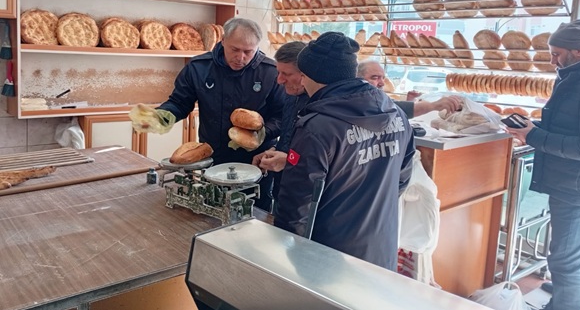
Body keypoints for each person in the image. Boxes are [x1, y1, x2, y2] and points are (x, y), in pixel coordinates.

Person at [274, 32, 415, 271]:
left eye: (304, 76)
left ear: (313, 77)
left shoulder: (316, 127)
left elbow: (296, 208)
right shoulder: (397, 115)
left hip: (329, 259)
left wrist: (287, 259)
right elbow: (400, 181)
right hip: (381, 250)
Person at [130, 17, 286, 212]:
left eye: (248, 52)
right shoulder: (199, 68)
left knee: (255, 212)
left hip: (256, 160)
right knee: (211, 209)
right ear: (223, 41)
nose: (241, 57)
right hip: (212, 155)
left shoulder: (270, 73)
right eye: (235, 50)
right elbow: (180, 102)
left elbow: (283, 117)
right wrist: (162, 116)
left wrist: (262, 133)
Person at [505, 19, 580, 310]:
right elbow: (574, 127)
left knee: (565, 262)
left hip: (577, 187)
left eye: (556, 53)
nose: (551, 59)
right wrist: (537, 127)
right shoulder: (579, 74)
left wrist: (534, 136)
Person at [252, 41, 309, 207]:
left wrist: (288, 160)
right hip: (282, 191)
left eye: (287, 74)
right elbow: (289, 137)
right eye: (278, 72)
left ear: (306, 74)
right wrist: (274, 151)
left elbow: (325, 163)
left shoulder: (322, 107)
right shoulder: (291, 95)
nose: (279, 80)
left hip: (304, 202)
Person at [357, 60, 462, 118]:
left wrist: (410, 102)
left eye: (383, 78)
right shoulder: (359, 99)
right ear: (357, 79)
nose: (382, 83)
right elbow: (392, 108)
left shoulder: (378, 97)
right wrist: (433, 105)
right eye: (375, 78)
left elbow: (393, 108)